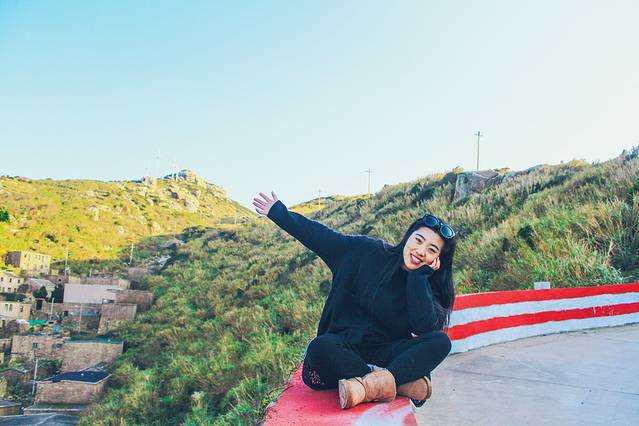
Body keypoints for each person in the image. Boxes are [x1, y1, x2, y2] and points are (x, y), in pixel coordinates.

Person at [253, 191, 456, 409]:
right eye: (418, 240)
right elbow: (321, 237)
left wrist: (417, 278)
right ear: (408, 237)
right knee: (320, 347)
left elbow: (424, 329)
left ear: (438, 260)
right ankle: (394, 382)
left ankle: (368, 385)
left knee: (441, 342)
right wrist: (279, 212)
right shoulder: (366, 251)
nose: (421, 251)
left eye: (431, 250)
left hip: (384, 353)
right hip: (343, 348)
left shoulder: (425, 286)